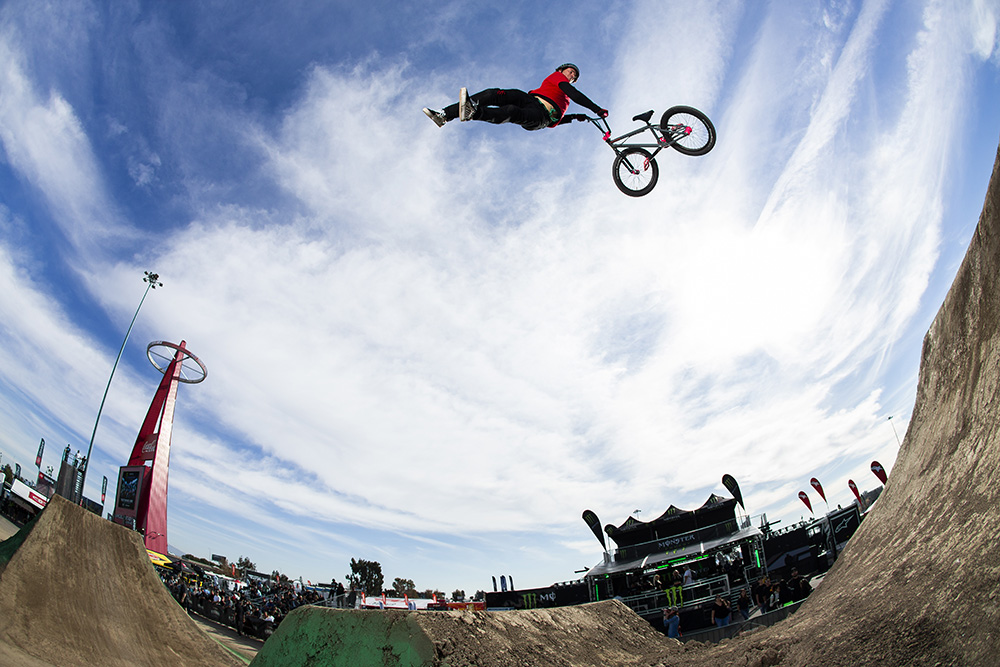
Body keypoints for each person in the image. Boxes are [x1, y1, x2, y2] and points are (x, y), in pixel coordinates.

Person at [422, 64, 607, 131]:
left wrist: (574, 117)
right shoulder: (558, 80)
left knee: (511, 112)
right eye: (570, 72)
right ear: (560, 71)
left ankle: (474, 112)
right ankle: (444, 115)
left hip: (540, 116)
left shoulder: (563, 99)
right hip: (531, 100)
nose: (571, 76)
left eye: (573, 76)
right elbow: (575, 94)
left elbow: (554, 121)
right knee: (495, 94)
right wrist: (595, 109)